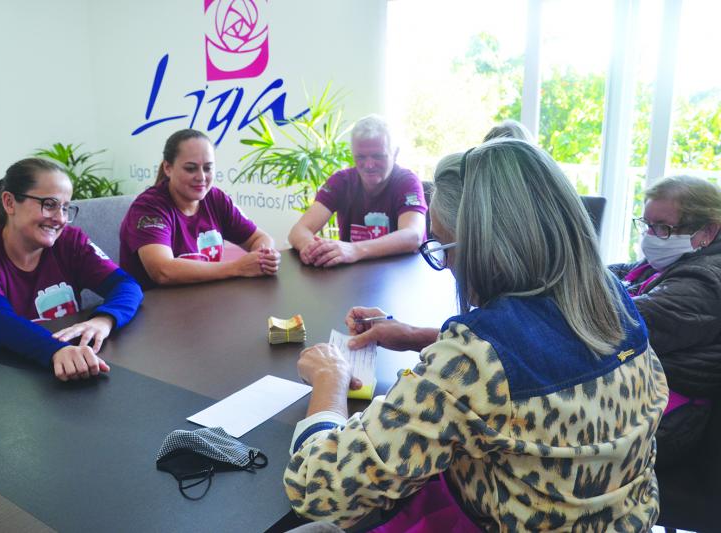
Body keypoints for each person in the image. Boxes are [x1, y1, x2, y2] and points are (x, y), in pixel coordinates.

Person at [283, 139, 668, 530]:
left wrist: (330, 382)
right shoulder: (612, 300)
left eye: (444, 248)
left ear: (484, 248)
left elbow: (320, 490)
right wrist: (418, 336)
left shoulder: (473, 358)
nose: (447, 264)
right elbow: (543, 351)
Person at [0, 158, 143, 382]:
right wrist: (54, 350)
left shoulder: (71, 242)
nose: (60, 219)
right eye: (49, 204)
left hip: (67, 370)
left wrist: (104, 319)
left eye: (65, 208)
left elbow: (126, 285)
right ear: (9, 202)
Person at [610, 175, 721, 467]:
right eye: (646, 225)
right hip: (643, 397)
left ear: (707, 231)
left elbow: (623, 324)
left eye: (663, 228)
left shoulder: (705, 281)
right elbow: (617, 273)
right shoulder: (673, 263)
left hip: (668, 422)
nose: (649, 236)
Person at [120, 129, 280, 289]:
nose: (202, 177)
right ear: (168, 168)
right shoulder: (149, 208)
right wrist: (237, 267)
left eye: (208, 168)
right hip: (155, 308)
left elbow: (259, 238)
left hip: (207, 301)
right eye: (191, 168)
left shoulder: (216, 198)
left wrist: (263, 258)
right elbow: (163, 271)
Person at [287, 115, 427, 268]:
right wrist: (313, 248)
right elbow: (298, 230)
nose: (369, 165)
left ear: (395, 153)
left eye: (378, 156)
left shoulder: (407, 182)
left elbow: (413, 235)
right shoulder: (341, 181)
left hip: (403, 277)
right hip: (355, 279)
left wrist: (355, 249)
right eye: (360, 157)